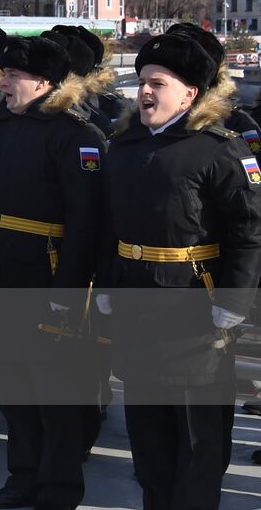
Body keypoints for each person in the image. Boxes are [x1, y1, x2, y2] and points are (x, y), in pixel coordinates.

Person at [98, 32, 261, 510]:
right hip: (137, 302)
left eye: (159, 83)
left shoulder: (218, 149)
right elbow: (110, 223)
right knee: (147, 428)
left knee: (197, 432)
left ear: (190, 93)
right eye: (143, 81)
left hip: (195, 306)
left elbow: (249, 231)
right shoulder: (124, 146)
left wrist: (232, 304)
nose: (145, 91)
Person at [0, 36, 103, 510]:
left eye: (14, 76)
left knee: (54, 392)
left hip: (44, 275)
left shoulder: (74, 134)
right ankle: (22, 475)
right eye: (3, 73)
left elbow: (86, 223)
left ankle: (58, 489)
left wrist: (68, 290)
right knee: (12, 385)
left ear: (43, 82)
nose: (2, 82)